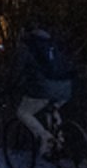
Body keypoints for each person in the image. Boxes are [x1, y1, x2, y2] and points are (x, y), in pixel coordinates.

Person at [13, 24, 75, 155]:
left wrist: (10, 86)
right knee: (52, 109)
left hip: (44, 86)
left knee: (23, 112)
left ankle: (44, 137)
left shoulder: (27, 46)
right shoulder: (51, 44)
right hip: (65, 86)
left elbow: (17, 70)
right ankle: (59, 140)